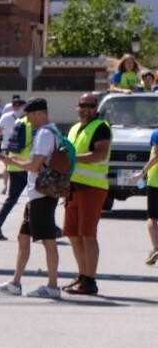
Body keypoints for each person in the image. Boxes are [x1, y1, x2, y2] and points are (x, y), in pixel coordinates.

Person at [0, 98, 66, 299]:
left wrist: (16, 162)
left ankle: (52, 286)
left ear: (40, 114)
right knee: (23, 237)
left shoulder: (43, 134)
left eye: (30, 116)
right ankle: (15, 282)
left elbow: (35, 166)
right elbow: (37, 163)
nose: (29, 121)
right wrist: (14, 160)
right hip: (38, 194)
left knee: (48, 241)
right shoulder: (54, 131)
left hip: (41, 194)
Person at [63, 92, 112, 296]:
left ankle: (90, 280)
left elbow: (100, 153)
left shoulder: (101, 127)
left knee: (88, 235)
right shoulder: (74, 128)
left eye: (91, 105)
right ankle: (82, 275)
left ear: (96, 108)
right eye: (83, 104)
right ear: (77, 106)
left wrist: (73, 158)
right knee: (73, 235)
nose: (86, 108)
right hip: (73, 188)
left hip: (92, 188)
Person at [0, 97, 30, 241]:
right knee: (38, 197)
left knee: (11, 198)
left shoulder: (17, 122)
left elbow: (0, 131)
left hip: (13, 163)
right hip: (29, 165)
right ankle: (37, 228)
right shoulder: (33, 125)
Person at [141, 120, 158, 265]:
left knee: (152, 218)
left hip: (155, 181)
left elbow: (156, 155)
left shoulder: (156, 134)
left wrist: (142, 172)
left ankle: (156, 247)